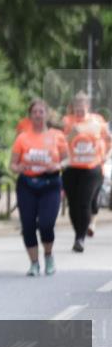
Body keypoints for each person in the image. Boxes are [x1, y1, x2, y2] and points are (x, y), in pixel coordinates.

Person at [10, 99, 69, 276]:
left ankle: (49, 256)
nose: (38, 115)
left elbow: (67, 159)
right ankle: (34, 263)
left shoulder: (57, 136)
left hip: (51, 184)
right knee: (28, 225)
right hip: (27, 184)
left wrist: (58, 166)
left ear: (46, 115)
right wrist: (18, 167)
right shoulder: (22, 138)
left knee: (46, 224)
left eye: (41, 112)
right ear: (30, 116)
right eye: (34, 112)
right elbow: (12, 164)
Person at [61, 92, 111, 251]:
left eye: (82, 108)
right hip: (71, 168)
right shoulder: (67, 121)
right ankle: (78, 231)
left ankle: (80, 238)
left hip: (91, 168)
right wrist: (72, 135)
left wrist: (106, 155)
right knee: (73, 205)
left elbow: (108, 139)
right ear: (73, 107)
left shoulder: (97, 121)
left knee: (84, 202)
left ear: (87, 107)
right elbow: (60, 144)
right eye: (76, 108)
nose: (79, 112)